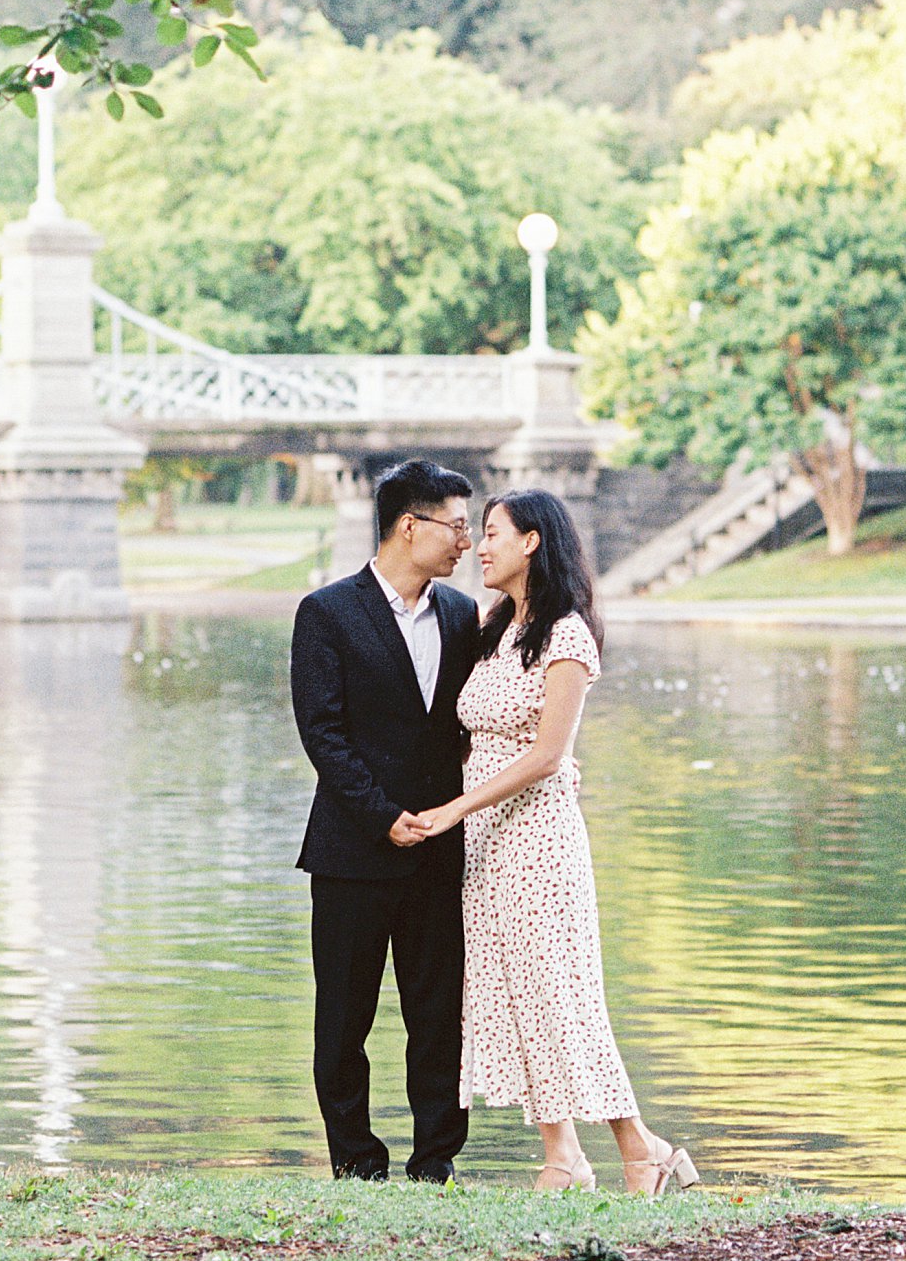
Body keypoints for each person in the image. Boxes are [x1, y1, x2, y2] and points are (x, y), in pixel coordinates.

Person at [414, 489, 701, 1195]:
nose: (479, 548)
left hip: (539, 841)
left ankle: (644, 1151)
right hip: (487, 845)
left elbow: (547, 755)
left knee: (560, 996)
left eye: (491, 534)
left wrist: (453, 809)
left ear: (532, 542)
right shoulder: (493, 629)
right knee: (517, 996)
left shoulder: (567, 634)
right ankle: (563, 1158)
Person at [290, 458, 480, 1182]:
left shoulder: (464, 616)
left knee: (438, 1020)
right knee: (344, 1020)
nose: (466, 541)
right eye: (457, 526)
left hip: (440, 852)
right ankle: (357, 1163)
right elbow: (323, 735)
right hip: (352, 853)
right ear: (411, 525)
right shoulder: (327, 612)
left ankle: (435, 1163)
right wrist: (383, 816)